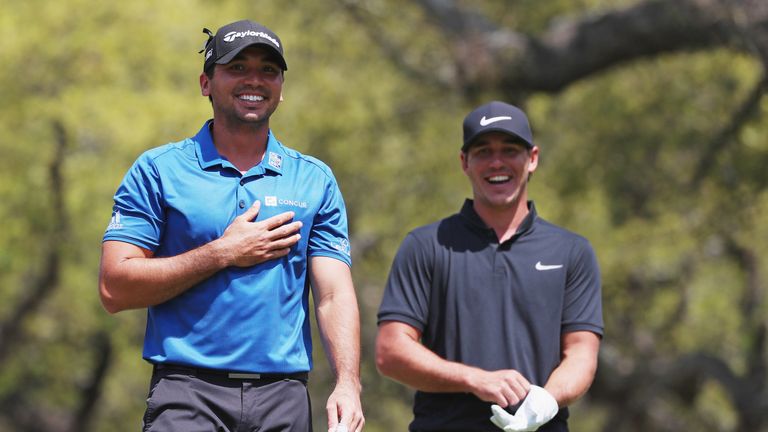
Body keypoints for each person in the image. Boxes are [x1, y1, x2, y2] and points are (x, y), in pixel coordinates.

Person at [99, 19, 364, 432]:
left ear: (281, 86)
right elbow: (115, 288)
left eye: (268, 70)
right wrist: (222, 252)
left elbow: (333, 294)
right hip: (188, 393)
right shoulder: (159, 170)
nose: (254, 80)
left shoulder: (315, 179)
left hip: (285, 397)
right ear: (206, 83)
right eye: (237, 68)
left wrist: (348, 384)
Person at [375, 101, 603, 432]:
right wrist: (473, 379)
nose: (497, 162)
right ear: (464, 162)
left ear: (533, 159)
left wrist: (546, 400)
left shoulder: (571, 251)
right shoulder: (427, 245)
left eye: (510, 150)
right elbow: (390, 351)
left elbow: (581, 353)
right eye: (483, 151)